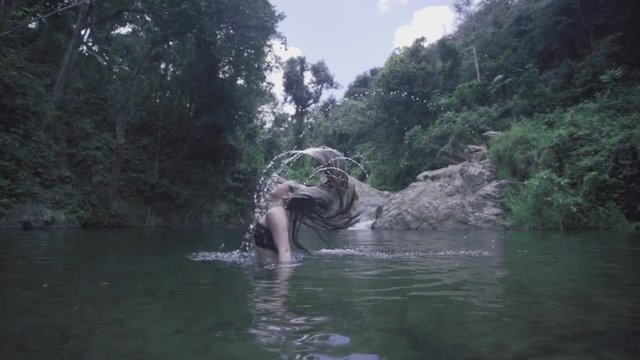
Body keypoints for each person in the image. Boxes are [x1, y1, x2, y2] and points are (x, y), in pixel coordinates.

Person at [252, 148, 359, 263]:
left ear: (287, 195)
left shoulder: (276, 213)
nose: (277, 184)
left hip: (271, 274)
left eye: (281, 184)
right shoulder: (277, 213)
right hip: (266, 271)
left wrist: (281, 281)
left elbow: (285, 252)